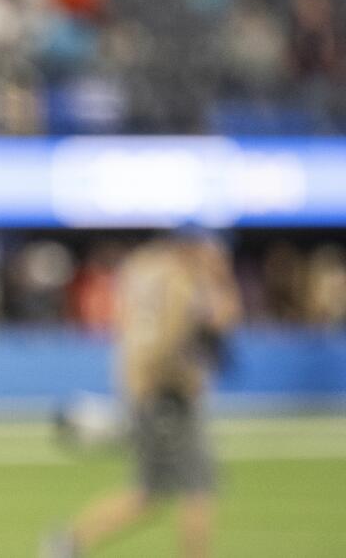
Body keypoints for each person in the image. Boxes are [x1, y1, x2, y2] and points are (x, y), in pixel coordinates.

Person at [43, 230, 241, 558]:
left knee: (151, 493)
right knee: (196, 487)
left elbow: (134, 329)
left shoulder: (143, 270)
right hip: (169, 392)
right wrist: (222, 280)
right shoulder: (182, 280)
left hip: (148, 387)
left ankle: (69, 540)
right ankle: (68, 540)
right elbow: (209, 323)